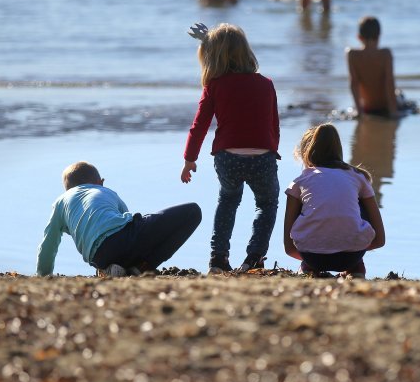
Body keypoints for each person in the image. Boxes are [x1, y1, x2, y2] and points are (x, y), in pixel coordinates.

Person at [181, 22, 280, 274]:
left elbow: (199, 125)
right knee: (266, 205)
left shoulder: (214, 85)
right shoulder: (266, 84)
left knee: (227, 201)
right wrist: (272, 150)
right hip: (263, 157)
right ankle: (255, 257)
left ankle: (217, 259)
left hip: (228, 158)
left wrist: (189, 159)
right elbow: (273, 125)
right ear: (246, 51)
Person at [36, 161, 201, 277]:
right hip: (123, 239)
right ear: (101, 182)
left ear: (67, 189)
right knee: (193, 211)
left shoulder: (61, 202)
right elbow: (127, 221)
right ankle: (143, 267)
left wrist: (44, 275)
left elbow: (48, 244)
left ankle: (112, 268)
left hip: (98, 258)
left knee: (119, 243)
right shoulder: (106, 192)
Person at [283, 123, 386, 278]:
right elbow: (380, 240)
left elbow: (289, 248)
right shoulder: (358, 177)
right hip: (351, 257)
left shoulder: (299, 182)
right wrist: (353, 245)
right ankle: (356, 269)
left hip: (312, 256)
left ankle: (308, 268)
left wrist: (311, 255)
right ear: (338, 149)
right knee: (354, 202)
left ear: (306, 153)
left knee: (309, 202)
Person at [346, 16, 400, 118]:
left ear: (359, 37)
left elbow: (354, 82)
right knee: (399, 93)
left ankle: (358, 109)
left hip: (366, 107)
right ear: (379, 36)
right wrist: (393, 111)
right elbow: (389, 82)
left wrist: (359, 111)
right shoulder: (385, 54)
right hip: (385, 106)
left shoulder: (352, 55)